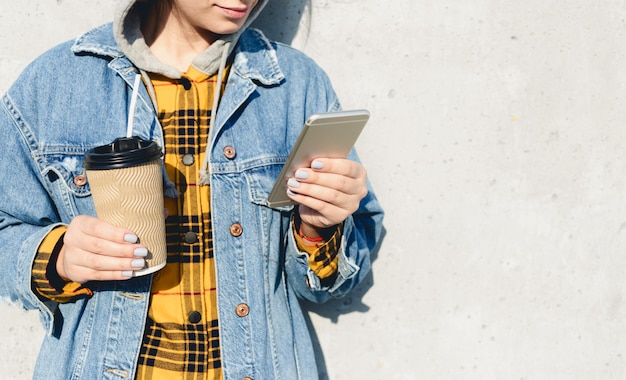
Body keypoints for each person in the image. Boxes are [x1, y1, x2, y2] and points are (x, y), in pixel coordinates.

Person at [0, 0, 384, 379]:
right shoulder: (56, 84)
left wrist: (318, 228)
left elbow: (328, 285)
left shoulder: (295, 86)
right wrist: (60, 257)